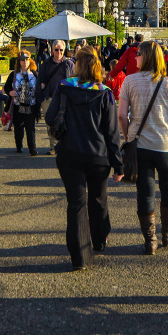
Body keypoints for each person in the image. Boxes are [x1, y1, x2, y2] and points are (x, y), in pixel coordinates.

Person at [46, 48, 123, 271]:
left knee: (76, 203)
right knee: (98, 198)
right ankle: (99, 239)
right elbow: (112, 133)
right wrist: (118, 163)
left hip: (70, 152)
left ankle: (80, 255)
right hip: (98, 155)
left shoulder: (65, 87)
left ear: (77, 64)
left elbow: (50, 117)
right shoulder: (104, 92)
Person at [118, 41, 168, 255]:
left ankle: (150, 241)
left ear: (145, 57)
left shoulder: (129, 81)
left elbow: (121, 114)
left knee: (145, 193)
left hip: (141, 146)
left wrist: (128, 134)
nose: (135, 57)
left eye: (138, 54)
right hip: (167, 145)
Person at [36, 40, 74, 156]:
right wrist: (40, 96)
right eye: (56, 50)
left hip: (65, 98)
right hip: (49, 97)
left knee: (65, 122)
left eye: (61, 50)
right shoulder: (46, 64)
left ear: (64, 50)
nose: (58, 52)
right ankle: (53, 146)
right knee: (50, 122)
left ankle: (62, 145)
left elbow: (74, 80)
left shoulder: (69, 64)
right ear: (52, 50)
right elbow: (39, 81)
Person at [4, 51, 39, 155]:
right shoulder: (14, 74)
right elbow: (6, 87)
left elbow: (39, 89)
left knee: (30, 128)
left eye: (27, 59)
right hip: (17, 105)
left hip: (31, 105)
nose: (25, 62)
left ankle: (32, 149)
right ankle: (19, 146)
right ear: (19, 62)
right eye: (22, 60)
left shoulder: (34, 74)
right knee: (18, 128)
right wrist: (10, 92)